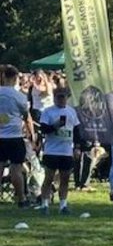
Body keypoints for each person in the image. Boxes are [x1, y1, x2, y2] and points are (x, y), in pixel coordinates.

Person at [36, 84, 80, 214]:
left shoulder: (71, 111)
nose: (61, 100)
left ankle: (63, 205)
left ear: (67, 98)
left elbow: (77, 130)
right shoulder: (48, 111)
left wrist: (77, 147)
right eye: (59, 97)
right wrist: (54, 126)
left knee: (65, 178)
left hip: (66, 150)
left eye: (63, 97)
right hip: (52, 150)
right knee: (49, 178)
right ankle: (44, 204)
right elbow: (43, 129)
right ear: (54, 97)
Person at [0, 64, 34, 208]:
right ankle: (21, 198)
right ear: (15, 78)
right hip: (14, 136)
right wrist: (32, 134)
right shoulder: (20, 96)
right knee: (16, 169)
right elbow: (27, 117)